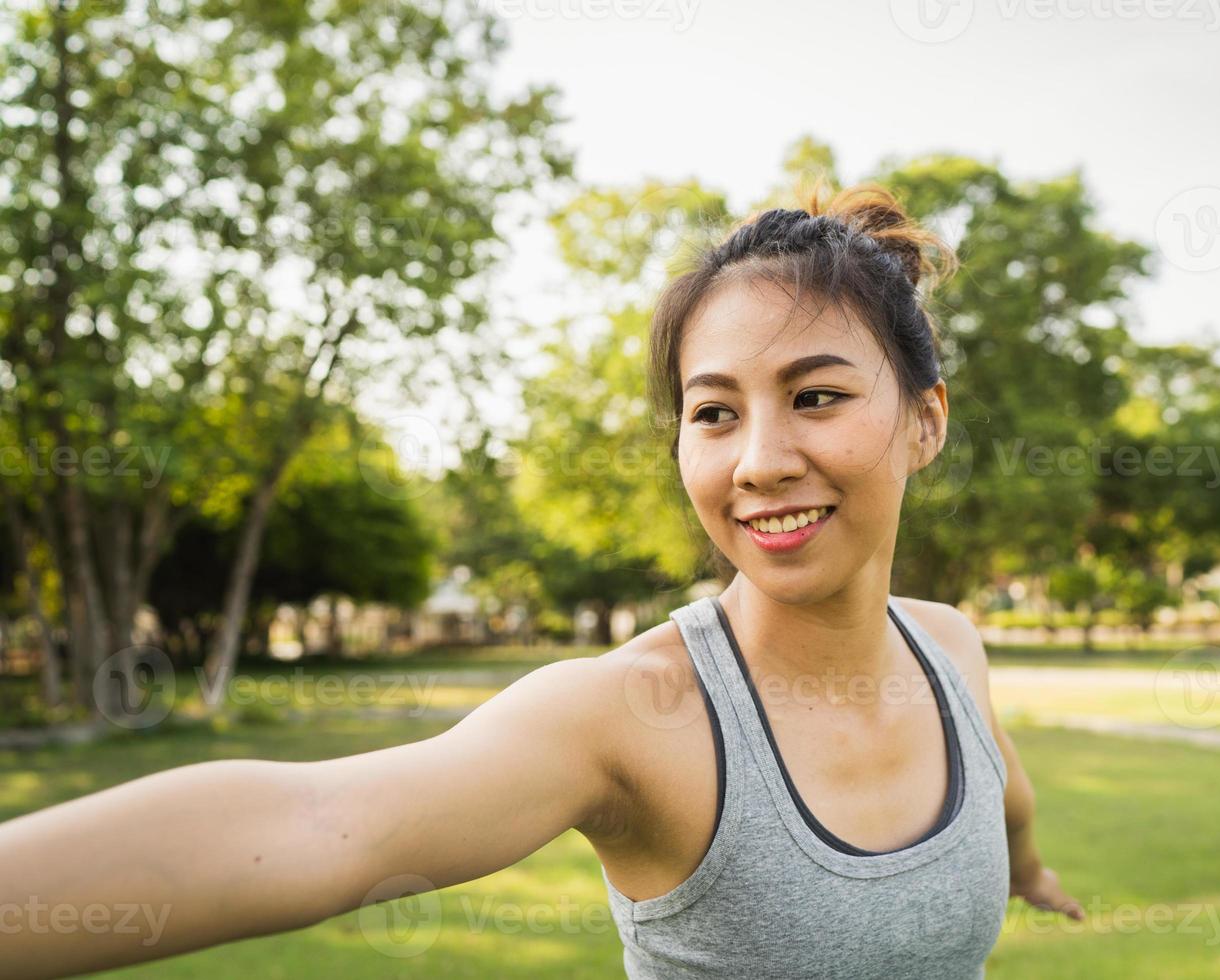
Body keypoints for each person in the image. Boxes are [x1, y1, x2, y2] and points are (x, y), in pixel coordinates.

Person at [0, 181, 1083, 979]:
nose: (757, 459)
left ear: (924, 420)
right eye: (713, 411)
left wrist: (1027, 868)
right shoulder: (628, 714)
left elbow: (1004, 794)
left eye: (815, 396)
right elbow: (316, 824)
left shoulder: (950, 647)